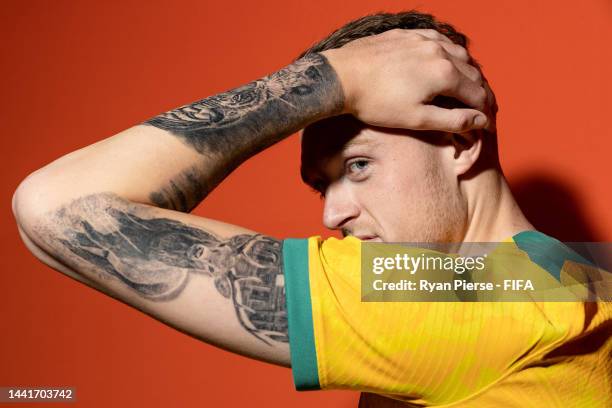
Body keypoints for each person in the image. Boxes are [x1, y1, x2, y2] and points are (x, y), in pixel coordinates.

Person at [12, 10, 610, 407]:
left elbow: (54, 207)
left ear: (459, 143)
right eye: (321, 185)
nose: (332, 217)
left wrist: (337, 78)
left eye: (358, 166)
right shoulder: (566, 276)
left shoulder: (449, 299)